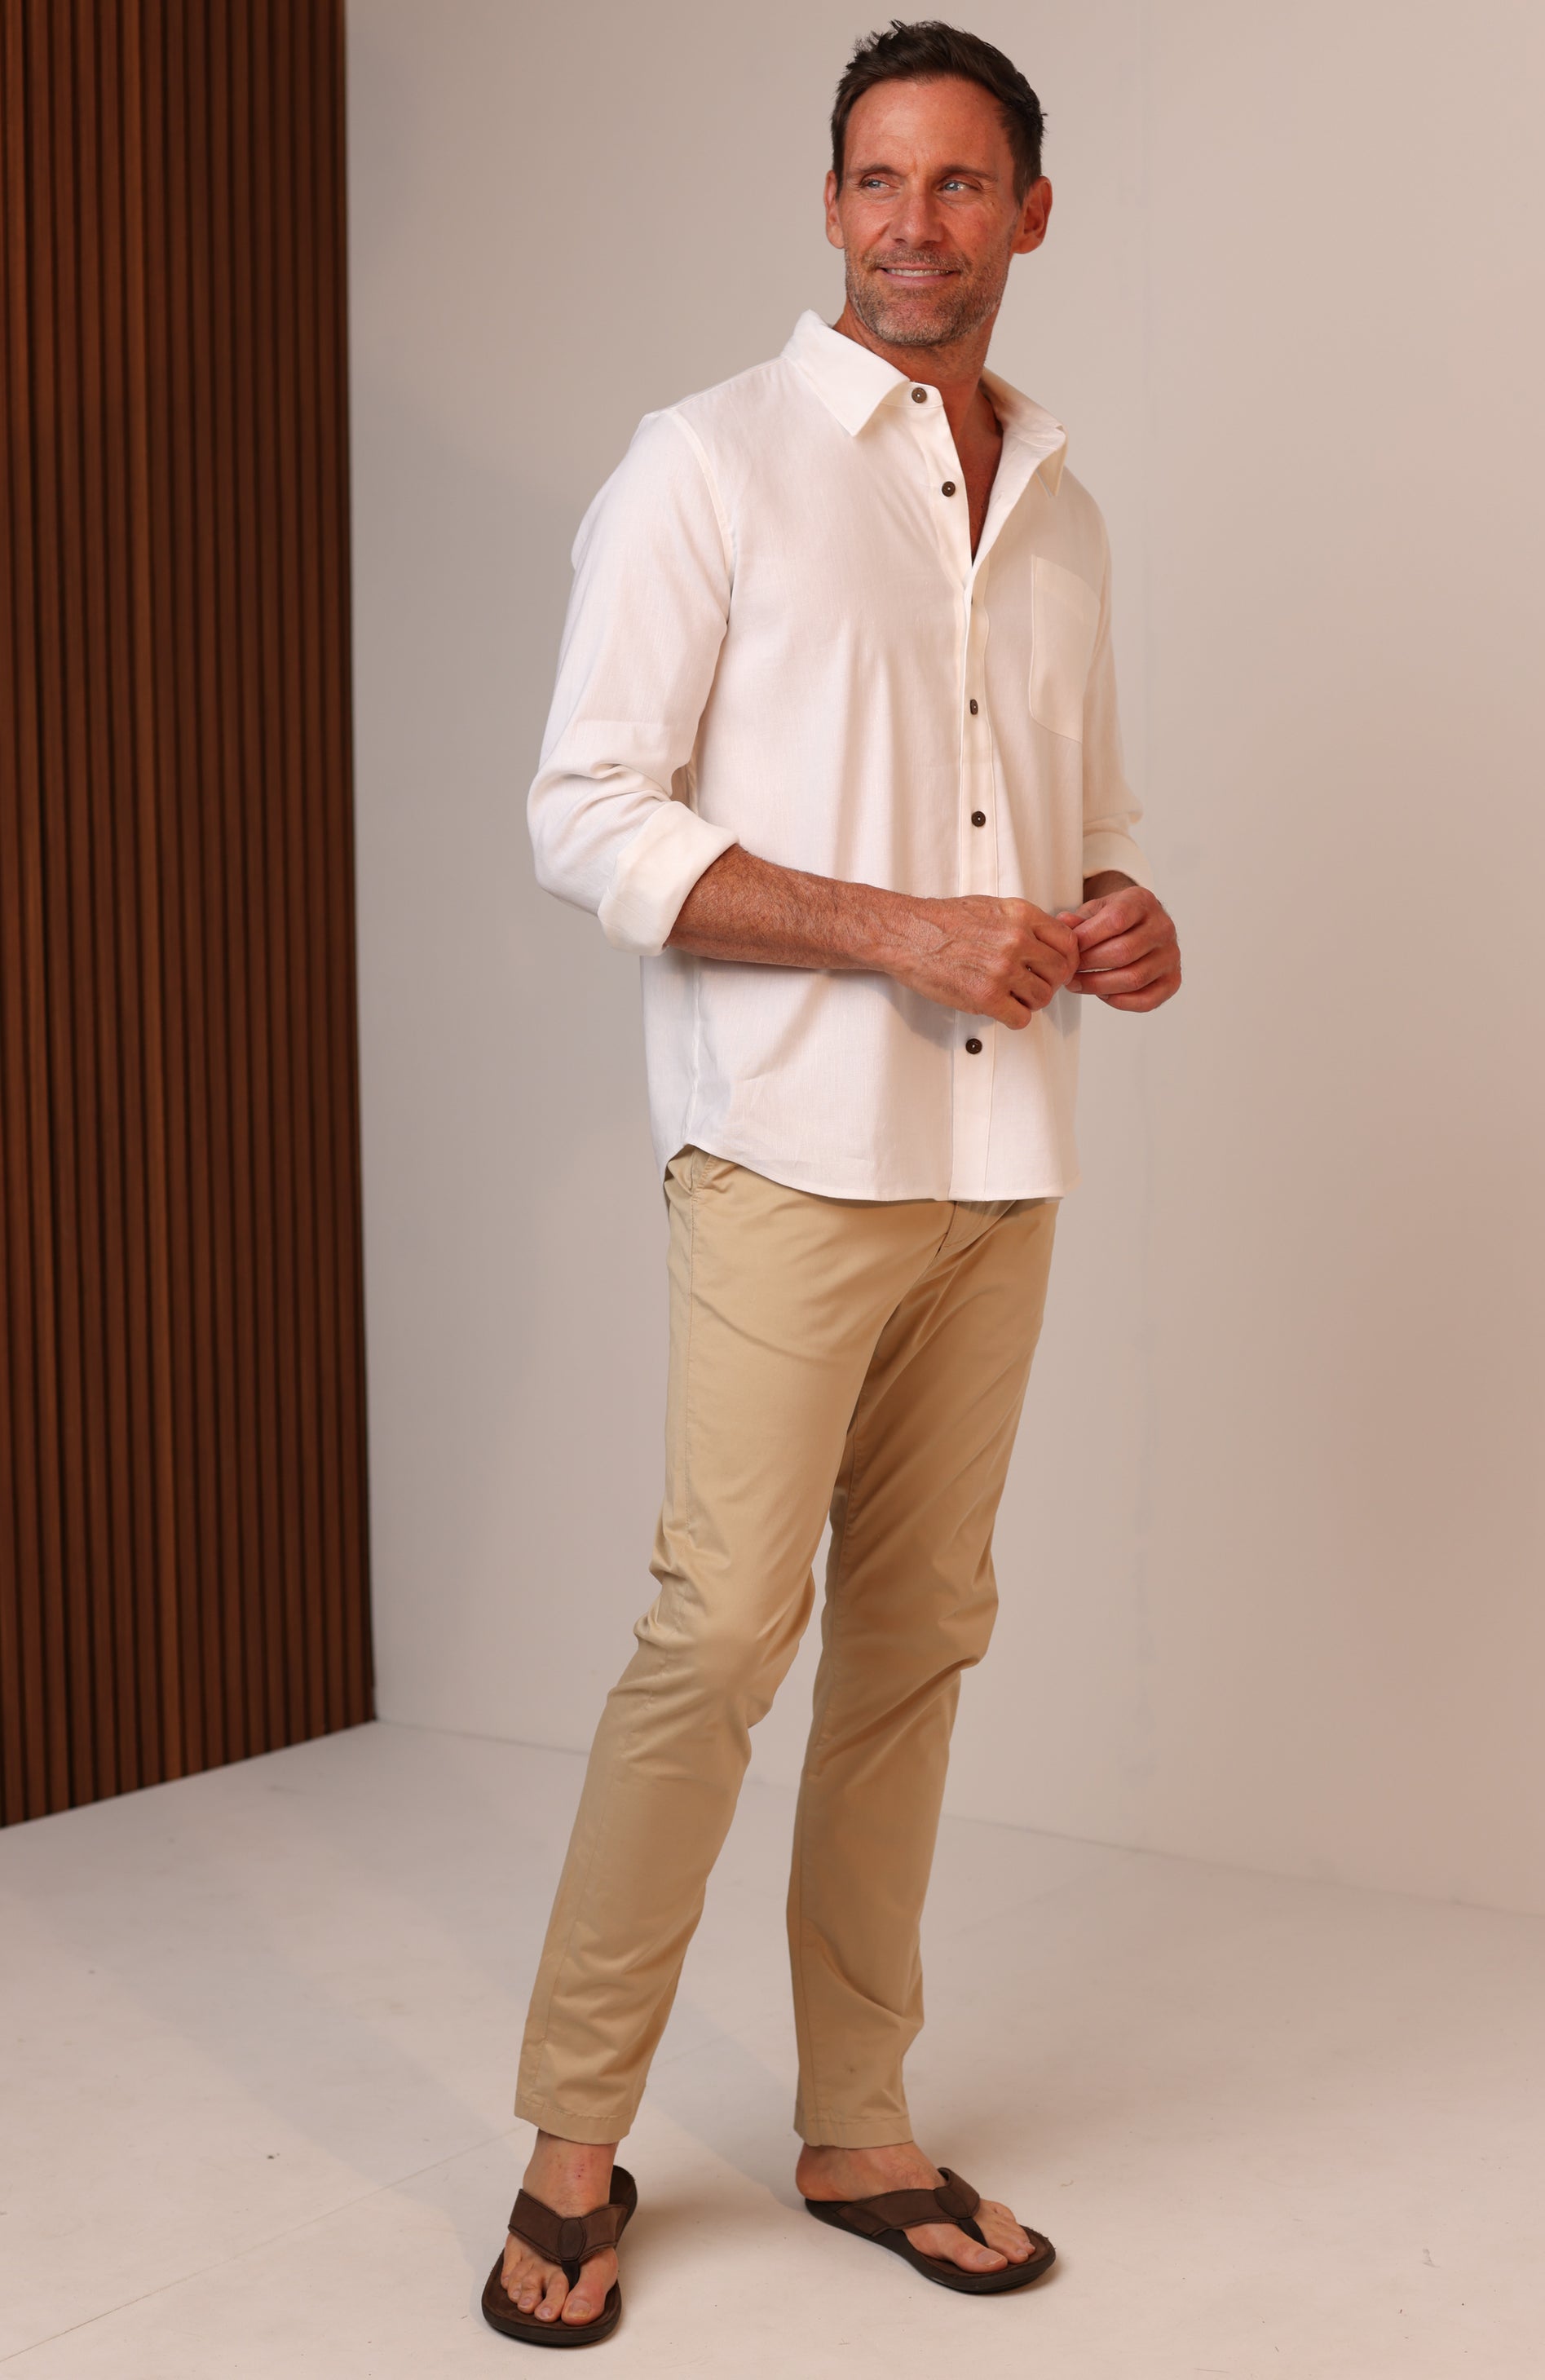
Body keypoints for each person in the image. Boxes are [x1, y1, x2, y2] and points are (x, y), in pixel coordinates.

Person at [481, 18, 1182, 2347]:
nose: (914, 224)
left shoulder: (1062, 508)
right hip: (787, 1148)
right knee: (716, 1637)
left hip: (1002, 1157)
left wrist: (1120, 916)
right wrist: (893, 929)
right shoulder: (707, 463)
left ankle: (857, 2121)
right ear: (828, 205)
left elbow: (1077, 827)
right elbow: (584, 811)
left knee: (916, 1644)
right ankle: (571, 2147)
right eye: (878, 179)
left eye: (960, 183)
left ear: (1030, 215)